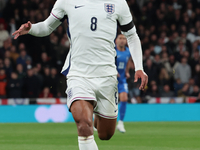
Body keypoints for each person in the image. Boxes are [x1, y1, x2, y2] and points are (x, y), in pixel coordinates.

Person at [12, 0, 148, 149]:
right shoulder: (66, 1)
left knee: (105, 134)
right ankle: (89, 112)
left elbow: (132, 36)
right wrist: (31, 28)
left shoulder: (118, 3)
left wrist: (139, 67)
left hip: (107, 76)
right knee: (83, 126)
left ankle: (95, 110)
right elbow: (46, 26)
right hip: (79, 74)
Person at [115, 34, 131, 133]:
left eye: (124, 38)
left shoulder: (128, 52)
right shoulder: (112, 51)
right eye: (120, 38)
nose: (122, 40)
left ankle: (120, 123)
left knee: (124, 98)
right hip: (111, 79)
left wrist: (127, 71)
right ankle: (97, 120)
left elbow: (128, 61)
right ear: (116, 40)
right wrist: (113, 70)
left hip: (122, 80)